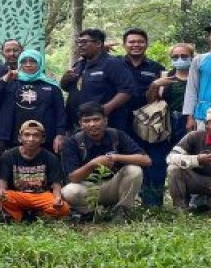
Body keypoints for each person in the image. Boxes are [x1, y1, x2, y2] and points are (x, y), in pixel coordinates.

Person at [60, 102, 151, 223]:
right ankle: (91, 213)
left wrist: (115, 157)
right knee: (69, 191)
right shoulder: (72, 142)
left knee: (134, 170)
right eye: (87, 121)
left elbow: (146, 160)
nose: (92, 124)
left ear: (105, 121)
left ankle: (122, 211)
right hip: (88, 188)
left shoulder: (117, 135)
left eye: (96, 119)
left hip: (113, 186)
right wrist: (93, 164)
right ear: (81, 124)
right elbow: (73, 178)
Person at [121, 28, 168, 206]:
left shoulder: (156, 68)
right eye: (131, 42)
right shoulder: (115, 63)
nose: (136, 45)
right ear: (124, 44)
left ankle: (153, 201)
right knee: (125, 158)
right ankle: (124, 201)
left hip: (149, 122)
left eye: (140, 41)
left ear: (146, 44)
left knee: (154, 159)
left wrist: (155, 86)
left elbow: (161, 97)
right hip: (121, 120)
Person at [0, 49, 67, 152]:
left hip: (44, 139)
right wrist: (4, 80)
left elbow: (60, 112)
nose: (28, 64)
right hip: (12, 138)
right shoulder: (11, 82)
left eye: (32, 61)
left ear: (40, 63)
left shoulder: (51, 85)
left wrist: (60, 134)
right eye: (24, 61)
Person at [61, 28, 137, 135]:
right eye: (78, 42)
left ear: (98, 43)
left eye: (84, 42)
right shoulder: (79, 65)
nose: (80, 45)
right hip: (78, 126)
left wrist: (106, 108)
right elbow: (67, 88)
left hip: (105, 126)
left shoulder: (112, 64)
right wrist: (64, 79)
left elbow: (127, 90)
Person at [0, 120, 70, 223]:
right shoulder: (9, 155)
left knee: (63, 208)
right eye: (27, 135)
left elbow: (56, 183)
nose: (31, 139)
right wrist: (1, 190)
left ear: (43, 139)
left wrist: (57, 198)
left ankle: (38, 215)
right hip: (18, 194)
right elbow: (3, 178)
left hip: (41, 195)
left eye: (36, 135)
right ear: (19, 138)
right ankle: (19, 216)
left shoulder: (50, 157)